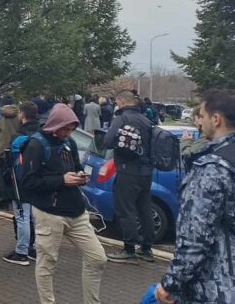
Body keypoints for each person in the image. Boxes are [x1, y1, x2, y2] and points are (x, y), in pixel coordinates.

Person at [155, 90, 235, 304]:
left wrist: (171, 283)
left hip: (216, 287)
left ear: (216, 119)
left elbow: (195, 237)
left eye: (203, 114)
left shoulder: (212, 168)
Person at [21, 103, 106, 304]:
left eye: (71, 129)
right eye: (65, 129)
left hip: (76, 210)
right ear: (54, 124)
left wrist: (79, 175)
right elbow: (28, 182)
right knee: (47, 262)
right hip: (48, 213)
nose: (68, 133)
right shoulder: (36, 144)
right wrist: (62, 180)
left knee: (98, 258)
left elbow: (75, 166)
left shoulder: (70, 143)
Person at [104, 90, 155, 263]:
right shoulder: (147, 121)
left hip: (127, 171)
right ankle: (147, 249)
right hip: (146, 173)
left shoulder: (121, 119)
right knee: (144, 210)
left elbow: (108, 142)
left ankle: (129, 249)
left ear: (122, 102)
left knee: (126, 210)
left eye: (117, 102)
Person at [2, 101, 39, 265]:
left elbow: (10, 161)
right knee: (35, 217)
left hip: (20, 182)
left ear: (22, 115)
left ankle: (22, 251)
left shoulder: (19, 138)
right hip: (38, 181)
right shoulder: (41, 134)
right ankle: (35, 248)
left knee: (22, 216)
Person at [0, 98, 20, 208]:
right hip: (15, 148)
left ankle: (3, 201)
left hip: (1, 149)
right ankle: (14, 199)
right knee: (13, 176)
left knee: (1, 177)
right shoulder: (19, 114)